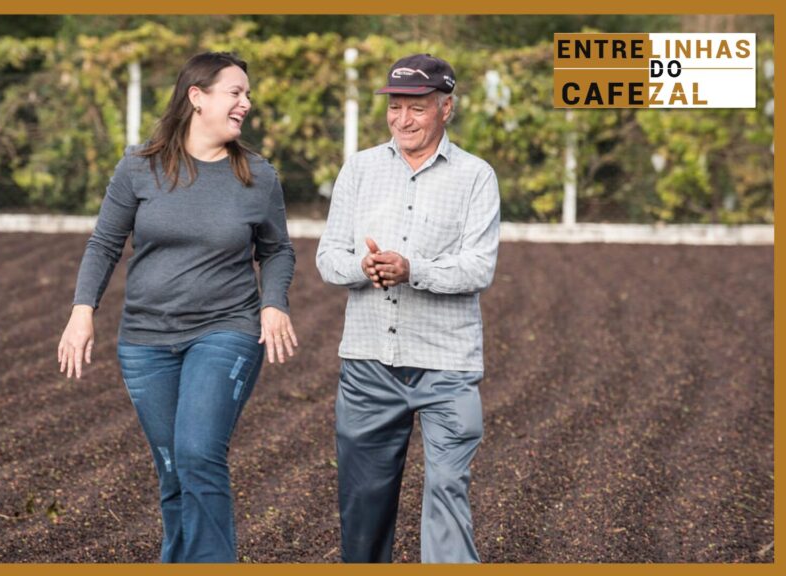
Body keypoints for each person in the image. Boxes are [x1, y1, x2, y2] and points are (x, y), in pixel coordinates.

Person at [57, 51, 297, 563]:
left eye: (247, 95)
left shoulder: (257, 175)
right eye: (236, 92)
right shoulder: (138, 167)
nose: (246, 104)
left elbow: (276, 249)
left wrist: (273, 304)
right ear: (197, 97)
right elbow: (104, 243)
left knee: (197, 454)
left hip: (226, 328)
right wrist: (83, 310)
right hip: (145, 341)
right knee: (172, 469)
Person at [316, 53, 500, 563]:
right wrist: (367, 267)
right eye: (395, 107)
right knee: (364, 504)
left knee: (446, 489)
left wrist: (411, 269)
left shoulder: (476, 177)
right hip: (369, 363)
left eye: (416, 108)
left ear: (447, 108)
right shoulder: (359, 169)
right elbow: (329, 257)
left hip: (447, 367)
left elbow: (477, 267)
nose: (403, 119)